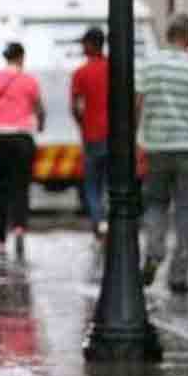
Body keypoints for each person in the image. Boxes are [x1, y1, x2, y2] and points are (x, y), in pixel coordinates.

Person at [137, 13, 188, 294]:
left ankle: (154, 253)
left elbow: (138, 103)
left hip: (156, 148)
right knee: (186, 212)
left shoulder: (148, 66)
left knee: (156, 204)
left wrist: (137, 143)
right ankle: (178, 275)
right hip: (186, 151)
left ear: (167, 35)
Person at [0, 42, 44, 260]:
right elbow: (39, 108)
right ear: (21, 57)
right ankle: (19, 228)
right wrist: (40, 125)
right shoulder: (30, 81)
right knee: (21, 186)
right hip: (22, 137)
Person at [71, 27, 111, 240]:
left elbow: (76, 106)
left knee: (92, 184)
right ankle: (107, 220)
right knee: (108, 181)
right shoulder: (114, 68)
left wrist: (82, 123)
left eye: (83, 43)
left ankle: (98, 222)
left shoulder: (81, 73)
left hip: (92, 135)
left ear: (90, 45)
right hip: (114, 135)